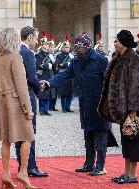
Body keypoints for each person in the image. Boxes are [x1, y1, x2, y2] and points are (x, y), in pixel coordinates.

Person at [43, 33, 112, 176]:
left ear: (86, 47)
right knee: (88, 134)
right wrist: (49, 83)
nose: (75, 50)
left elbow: (111, 81)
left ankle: (100, 166)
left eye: (78, 47)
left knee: (100, 135)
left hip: (100, 104)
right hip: (85, 103)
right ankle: (88, 164)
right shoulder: (75, 62)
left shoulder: (100, 60)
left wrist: (111, 102)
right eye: (74, 47)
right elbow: (64, 75)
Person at [98, 29, 139, 184]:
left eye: (116, 41)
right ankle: (126, 173)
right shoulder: (117, 58)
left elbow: (136, 88)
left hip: (132, 109)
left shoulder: (134, 59)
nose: (114, 43)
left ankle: (132, 175)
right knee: (126, 142)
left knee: (133, 141)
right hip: (123, 109)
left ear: (123, 43)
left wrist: (132, 112)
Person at [0, 27, 37, 189]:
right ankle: (23, 172)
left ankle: (5, 174)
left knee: (6, 139)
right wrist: (28, 108)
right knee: (28, 136)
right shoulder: (15, 57)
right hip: (15, 102)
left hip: (0, 101)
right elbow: (22, 86)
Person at [15, 26, 48, 177]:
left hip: (18, 95)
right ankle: (31, 166)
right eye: (35, 38)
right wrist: (38, 87)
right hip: (27, 94)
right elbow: (31, 77)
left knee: (20, 133)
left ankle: (22, 166)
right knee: (29, 132)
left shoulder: (17, 50)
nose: (37, 41)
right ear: (29, 37)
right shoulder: (27, 53)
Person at [35, 31, 56, 116]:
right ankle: (41, 110)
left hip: (49, 74)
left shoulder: (50, 55)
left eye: (48, 44)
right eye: (45, 44)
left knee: (48, 93)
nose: (47, 46)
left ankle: (46, 110)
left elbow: (55, 65)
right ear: (42, 45)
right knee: (42, 93)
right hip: (42, 75)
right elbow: (39, 65)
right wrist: (48, 65)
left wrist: (53, 62)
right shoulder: (38, 55)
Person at [54, 35, 74, 113]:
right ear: (63, 48)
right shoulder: (59, 56)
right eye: (66, 47)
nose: (67, 49)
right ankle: (63, 108)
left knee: (69, 93)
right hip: (63, 75)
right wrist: (65, 64)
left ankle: (68, 107)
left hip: (70, 76)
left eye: (68, 48)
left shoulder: (71, 56)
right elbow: (56, 66)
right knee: (63, 93)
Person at [48, 34, 58, 111]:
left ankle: (53, 106)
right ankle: (49, 106)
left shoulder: (55, 54)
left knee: (55, 90)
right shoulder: (48, 55)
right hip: (49, 72)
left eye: (53, 46)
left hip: (56, 72)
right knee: (50, 90)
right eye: (51, 47)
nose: (53, 48)